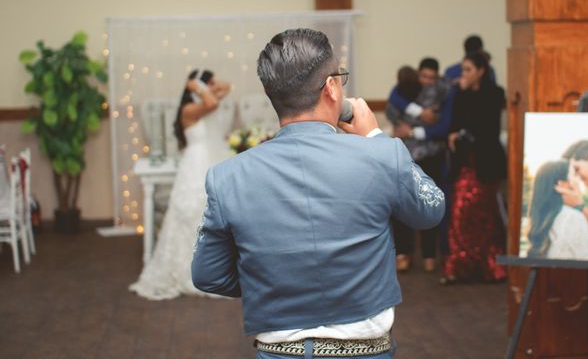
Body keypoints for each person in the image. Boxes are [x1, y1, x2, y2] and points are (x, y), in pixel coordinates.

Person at [191, 28, 445, 359]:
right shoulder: (380, 155)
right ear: (331, 88)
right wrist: (377, 138)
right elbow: (431, 209)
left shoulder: (227, 177)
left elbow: (208, 275)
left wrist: (270, 281)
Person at [129, 69, 231, 300]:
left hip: (212, 162)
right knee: (191, 214)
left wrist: (205, 85)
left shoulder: (205, 100)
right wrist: (196, 86)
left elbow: (227, 87)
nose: (215, 86)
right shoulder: (189, 109)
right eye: (209, 84)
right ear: (198, 88)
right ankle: (188, 269)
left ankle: (214, 267)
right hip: (195, 165)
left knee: (213, 216)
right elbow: (213, 103)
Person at [443, 51, 507, 284]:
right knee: (460, 213)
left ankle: (490, 266)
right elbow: (453, 125)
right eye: (463, 70)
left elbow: (487, 129)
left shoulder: (495, 93)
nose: (464, 74)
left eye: (468, 69)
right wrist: (458, 134)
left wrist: (461, 135)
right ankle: (460, 267)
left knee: (486, 217)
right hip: (465, 164)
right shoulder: (460, 94)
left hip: (486, 164)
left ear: (481, 71)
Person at [386, 59, 449, 272]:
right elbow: (393, 105)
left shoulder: (444, 91)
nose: (428, 81)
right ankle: (404, 252)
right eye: (424, 76)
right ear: (418, 74)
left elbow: (443, 124)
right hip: (405, 155)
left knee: (430, 203)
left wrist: (413, 129)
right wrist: (420, 114)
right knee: (402, 206)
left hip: (432, 155)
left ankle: (430, 254)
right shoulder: (406, 88)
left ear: (438, 76)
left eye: (432, 77)